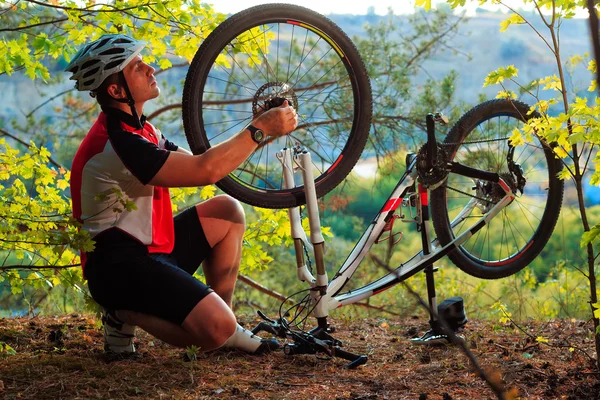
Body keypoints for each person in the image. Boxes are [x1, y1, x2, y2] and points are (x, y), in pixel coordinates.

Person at [66, 34, 298, 355]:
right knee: (217, 329)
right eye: (136, 67)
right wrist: (259, 130)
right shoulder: (119, 144)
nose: (150, 69)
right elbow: (206, 171)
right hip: (119, 267)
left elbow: (200, 165)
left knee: (227, 212)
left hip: (152, 250)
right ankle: (123, 313)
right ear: (116, 90)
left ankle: (221, 324)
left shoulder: (142, 131)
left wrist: (261, 125)